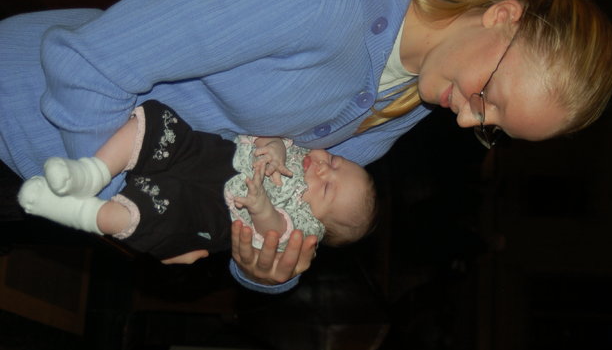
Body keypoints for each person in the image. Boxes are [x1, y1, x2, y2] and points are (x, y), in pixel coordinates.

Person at [0, 0, 612, 292]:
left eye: (491, 127)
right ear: (503, 15)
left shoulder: (406, 100)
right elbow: (86, 64)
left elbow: (280, 199)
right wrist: (125, 215)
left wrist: (264, 267)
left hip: (48, 186)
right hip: (21, 111)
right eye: (490, 99)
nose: (467, 120)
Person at [17, 100, 376, 262]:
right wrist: (276, 148)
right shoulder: (299, 153)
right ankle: (91, 172)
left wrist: (262, 208)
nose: (325, 169)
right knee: (159, 124)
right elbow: (271, 136)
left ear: (316, 226)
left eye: (327, 187)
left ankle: (77, 211)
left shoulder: (299, 223)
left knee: (158, 213)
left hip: (209, 213)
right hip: (206, 156)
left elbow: (274, 233)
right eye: (337, 162)